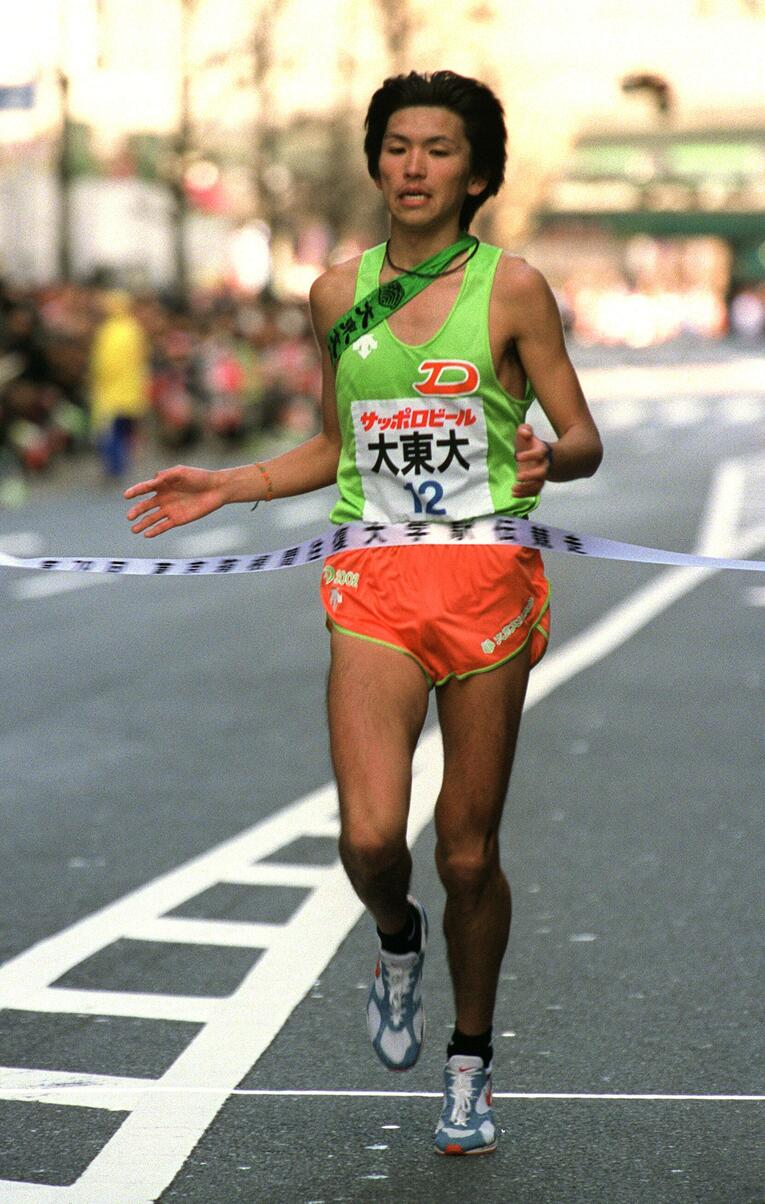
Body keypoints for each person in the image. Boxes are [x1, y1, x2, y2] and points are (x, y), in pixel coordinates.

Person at [124, 70, 603, 1156]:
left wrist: (550, 457)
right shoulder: (336, 295)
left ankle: (470, 1067)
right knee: (373, 835)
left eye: (439, 149)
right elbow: (336, 445)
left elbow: (581, 434)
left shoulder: (515, 288)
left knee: (470, 853)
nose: (414, 165)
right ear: (377, 161)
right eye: (397, 145)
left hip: (487, 585)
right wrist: (231, 483)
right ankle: (396, 944)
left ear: (476, 172)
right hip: (373, 585)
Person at [90, 290, 150, 478]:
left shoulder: (107, 331)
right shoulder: (134, 329)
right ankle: (124, 465)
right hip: (131, 390)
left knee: (110, 433)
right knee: (126, 431)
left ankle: (115, 467)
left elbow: (101, 365)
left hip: (110, 393)